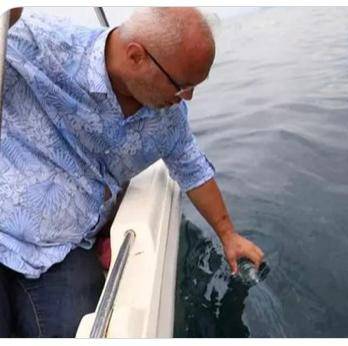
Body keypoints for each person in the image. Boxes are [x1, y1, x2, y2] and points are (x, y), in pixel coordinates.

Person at [0, 7, 264, 337]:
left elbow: (193, 168)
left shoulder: (169, 118)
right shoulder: (40, 42)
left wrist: (228, 234)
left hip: (65, 250)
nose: (188, 98)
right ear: (136, 56)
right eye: (181, 86)